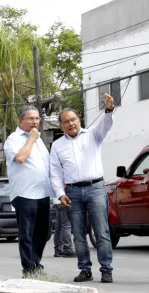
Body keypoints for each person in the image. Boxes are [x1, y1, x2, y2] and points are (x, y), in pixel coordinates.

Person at [50, 93, 115, 283]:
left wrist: (109, 110)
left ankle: (106, 269)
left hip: (95, 188)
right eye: (66, 122)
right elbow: (55, 173)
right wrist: (60, 194)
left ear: (79, 120)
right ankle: (85, 269)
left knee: (101, 232)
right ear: (61, 126)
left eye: (73, 119)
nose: (71, 124)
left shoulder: (93, 135)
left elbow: (106, 125)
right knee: (78, 234)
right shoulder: (57, 146)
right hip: (72, 192)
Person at [4, 106, 53, 277]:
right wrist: (31, 139)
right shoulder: (14, 139)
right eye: (30, 118)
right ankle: (29, 268)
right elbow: (20, 158)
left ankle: (35, 263)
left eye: (37, 118)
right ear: (20, 121)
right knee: (27, 233)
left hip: (44, 193)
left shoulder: (39, 140)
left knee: (44, 232)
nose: (35, 122)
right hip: (25, 194)